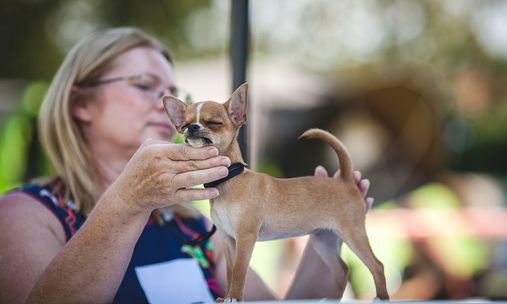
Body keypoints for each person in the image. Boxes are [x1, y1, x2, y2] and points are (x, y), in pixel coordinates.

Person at [0, 27, 374, 303]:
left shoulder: (191, 224)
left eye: (175, 93)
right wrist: (127, 200)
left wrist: (323, 226)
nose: (169, 105)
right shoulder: (22, 214)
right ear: (81, 103)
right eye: (145, 85)